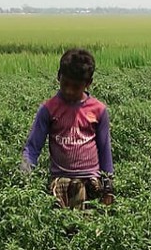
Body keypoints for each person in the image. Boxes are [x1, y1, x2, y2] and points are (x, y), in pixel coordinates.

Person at [19, 48, 115, 208]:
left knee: (86, 225)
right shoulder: (48, 109)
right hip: (60, 180)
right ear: (58, 76)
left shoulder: (98, 110)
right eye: (65, 84)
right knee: (60, 225)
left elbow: (105, 149)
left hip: (90, 181)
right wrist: (24, 174)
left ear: (88, 83)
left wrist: (108, 185)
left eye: (76, 87)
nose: (69, 91)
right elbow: (33, 147)